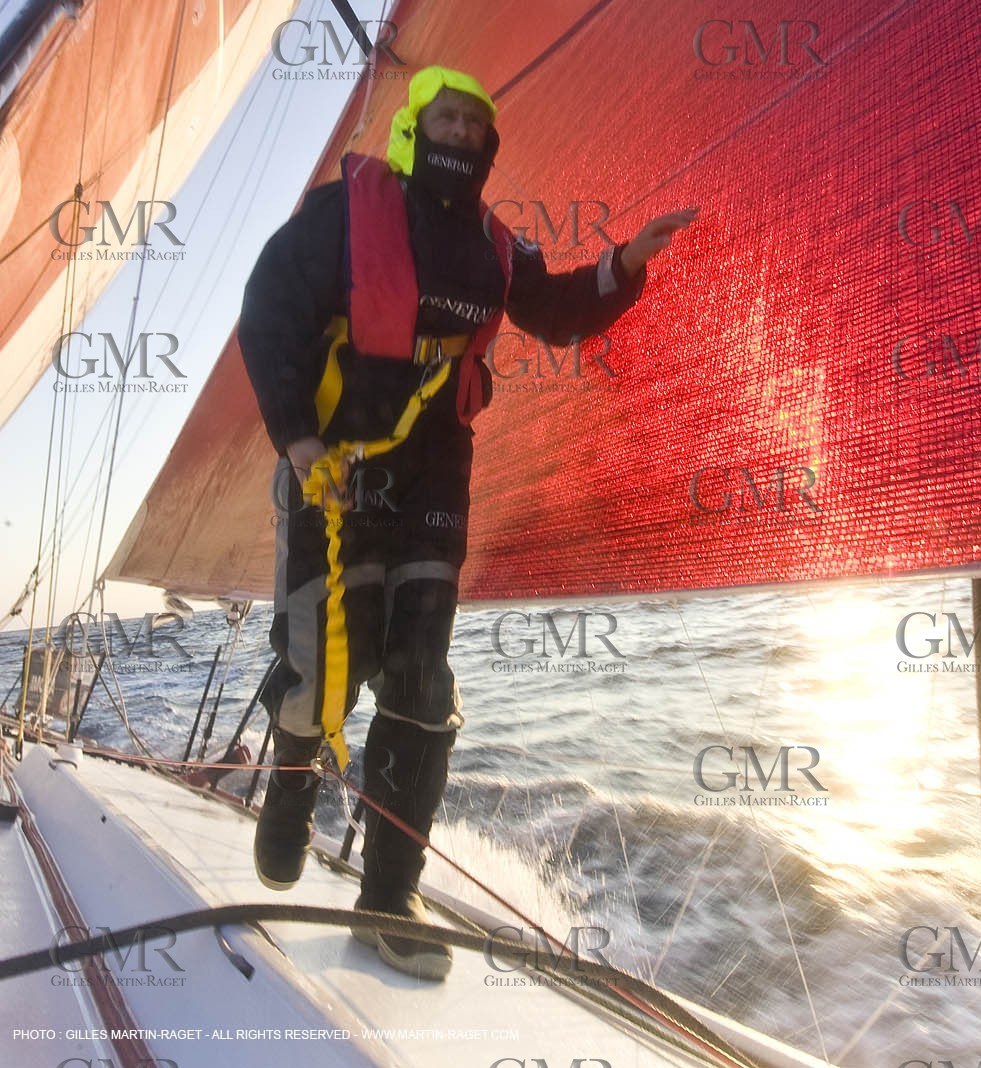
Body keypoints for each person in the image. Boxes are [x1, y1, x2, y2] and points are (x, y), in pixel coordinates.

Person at [237, 65, 696, 982]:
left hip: (434, 472)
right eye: (446, 114)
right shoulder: (343, 210)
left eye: (476, 124)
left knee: (419, 671)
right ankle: (289, 784)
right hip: (330, 462)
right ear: (416, 127)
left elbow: (557, 310)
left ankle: (388, 896)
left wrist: (627, 263)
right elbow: (268, 314)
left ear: (489, 148)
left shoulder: (494, 244)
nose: (461, 130)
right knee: (328, 659)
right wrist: (293, 440)